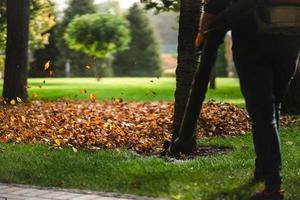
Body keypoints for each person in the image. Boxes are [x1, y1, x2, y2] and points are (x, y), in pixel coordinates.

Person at [198, 0, 300, 199]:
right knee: (271, 109)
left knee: (263, 114)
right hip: (289, 42)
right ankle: (264, 168)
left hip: (252, 44)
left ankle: (273, 187)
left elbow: (213, 8)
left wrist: (201, 35)